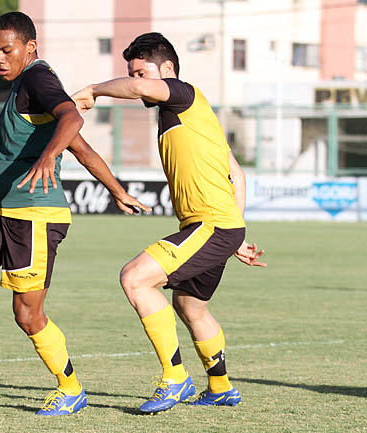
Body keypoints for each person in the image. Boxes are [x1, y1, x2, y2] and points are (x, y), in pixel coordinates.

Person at [0, 11, 150, 417]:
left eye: (6, 50)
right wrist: (118, 191)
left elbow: (73, 117)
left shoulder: (37, 78)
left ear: (30, 47)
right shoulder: (24, 90)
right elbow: (81, 148)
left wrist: (48, 157)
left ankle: (70, 388)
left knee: (28, 316)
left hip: (32, 216)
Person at [72, 32, 266, 414]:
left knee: (135, 278)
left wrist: (95, 89)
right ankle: (221, 387)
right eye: (134, 73)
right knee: (190, 305)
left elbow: (130, 88)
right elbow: (237, 175)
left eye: (142, 73)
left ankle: (175, 377)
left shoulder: (183, 93)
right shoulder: (195, 116)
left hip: (210, 224)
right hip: (219, 226)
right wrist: (237, 233)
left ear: (167, 70)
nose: (138, 81)